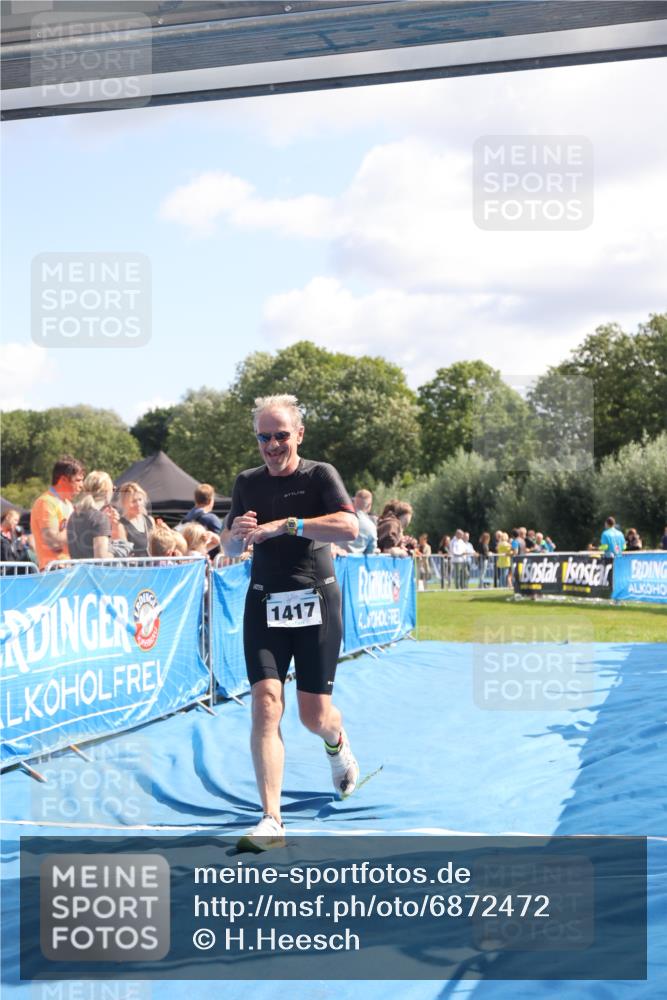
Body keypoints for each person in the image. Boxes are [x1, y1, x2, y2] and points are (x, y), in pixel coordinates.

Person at [221, 393, 359, 852]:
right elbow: (230, 545)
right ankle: (272, 819)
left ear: (299, 434)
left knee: (313, 716)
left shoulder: (320, 475)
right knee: (266, 704)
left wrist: (286, 525)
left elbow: (350, 528)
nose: (272, 445)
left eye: (281, 435)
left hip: (316, 601)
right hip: (264, 602)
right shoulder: (247, 482)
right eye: (264, 437)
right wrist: (237, 536)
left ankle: (336, 740)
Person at [30, 456, 85, 569]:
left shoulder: (68, 504)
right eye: (78, 480)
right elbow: (53, 543)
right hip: (53, 570)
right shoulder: (46, 502)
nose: (82, 485)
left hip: (69, 568)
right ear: (63, 480)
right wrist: (79, 530)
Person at [67, 471, 126, 559]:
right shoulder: (100, 518)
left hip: (78, 567)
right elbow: (101, 558)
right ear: (106, 492)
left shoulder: (74, 515)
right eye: (113, 489)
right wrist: (119, 551)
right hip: (94, 568)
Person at [118, 482, 155, 557]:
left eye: (140, 499)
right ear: (125, 503)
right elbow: (123, 554)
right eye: (133, 501)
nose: (138, 504)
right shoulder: (121, 525)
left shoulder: (150, 520)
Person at [341, 488, 377, 555]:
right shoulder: (371, 526)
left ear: (354, 502)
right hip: (355, 561)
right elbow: (370, 553)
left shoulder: (340, 518)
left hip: (332, 558)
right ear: (369, 505)